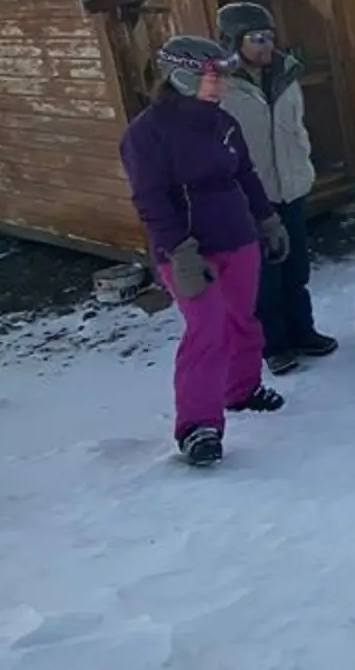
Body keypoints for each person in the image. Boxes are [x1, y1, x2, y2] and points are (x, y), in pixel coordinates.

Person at [119, 35, 290, 466]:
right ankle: (198, 426)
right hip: (189, 251)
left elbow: (245, 174)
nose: (224, 84)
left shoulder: (222, 122)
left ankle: (242, 389)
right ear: (182, 76)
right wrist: (179, 251)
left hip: (237, 236)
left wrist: (267, 219)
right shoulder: (146, 134)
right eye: (215, 76)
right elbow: (150, 199)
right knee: (206, 332)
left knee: (242, 321)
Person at [214, 1, 337, 376]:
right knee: (264, 275)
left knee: (296, 266)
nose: (266, 46)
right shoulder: (217, 86)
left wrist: (304, 166)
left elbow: (296, 126)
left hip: (291, 185)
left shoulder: (286, 74)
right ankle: (274, 345)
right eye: (256, 38)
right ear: (233, 41)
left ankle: (303, 331)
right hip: (251, 194)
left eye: (269, 37)